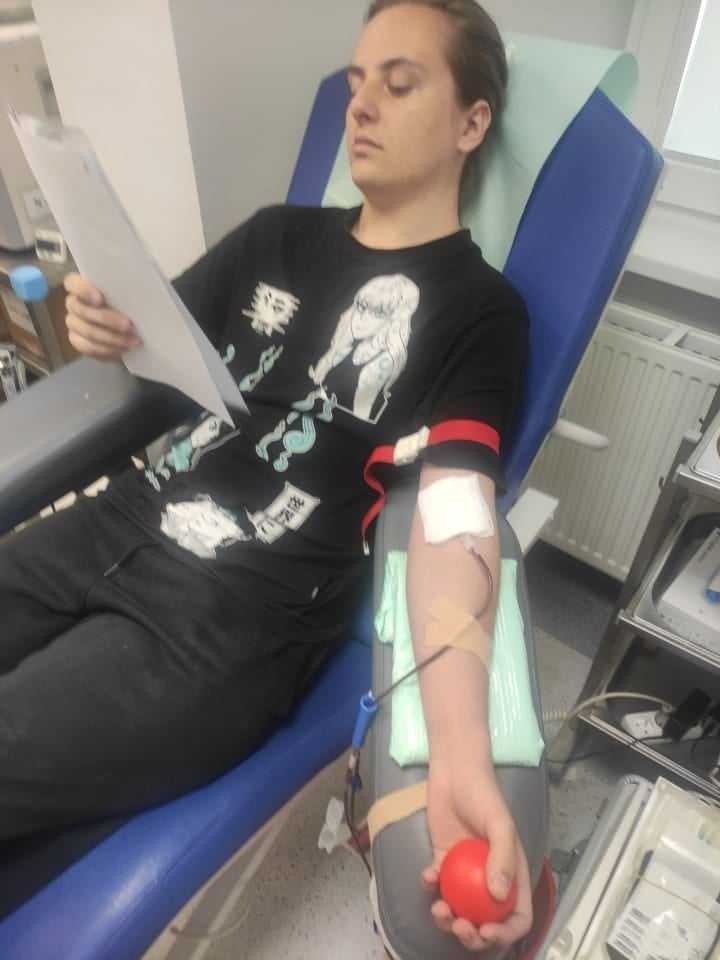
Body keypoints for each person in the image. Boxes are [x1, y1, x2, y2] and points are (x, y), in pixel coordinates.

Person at [1, 0, 531, 950]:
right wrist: (104, 328)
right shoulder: (275, 236)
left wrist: (460, 754)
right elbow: (157, 345)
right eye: (356, 83)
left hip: (224, 620)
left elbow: (454, 514)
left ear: (471, 122)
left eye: (399, 84)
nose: (359, 105)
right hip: (116, 521)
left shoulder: (481, 312)